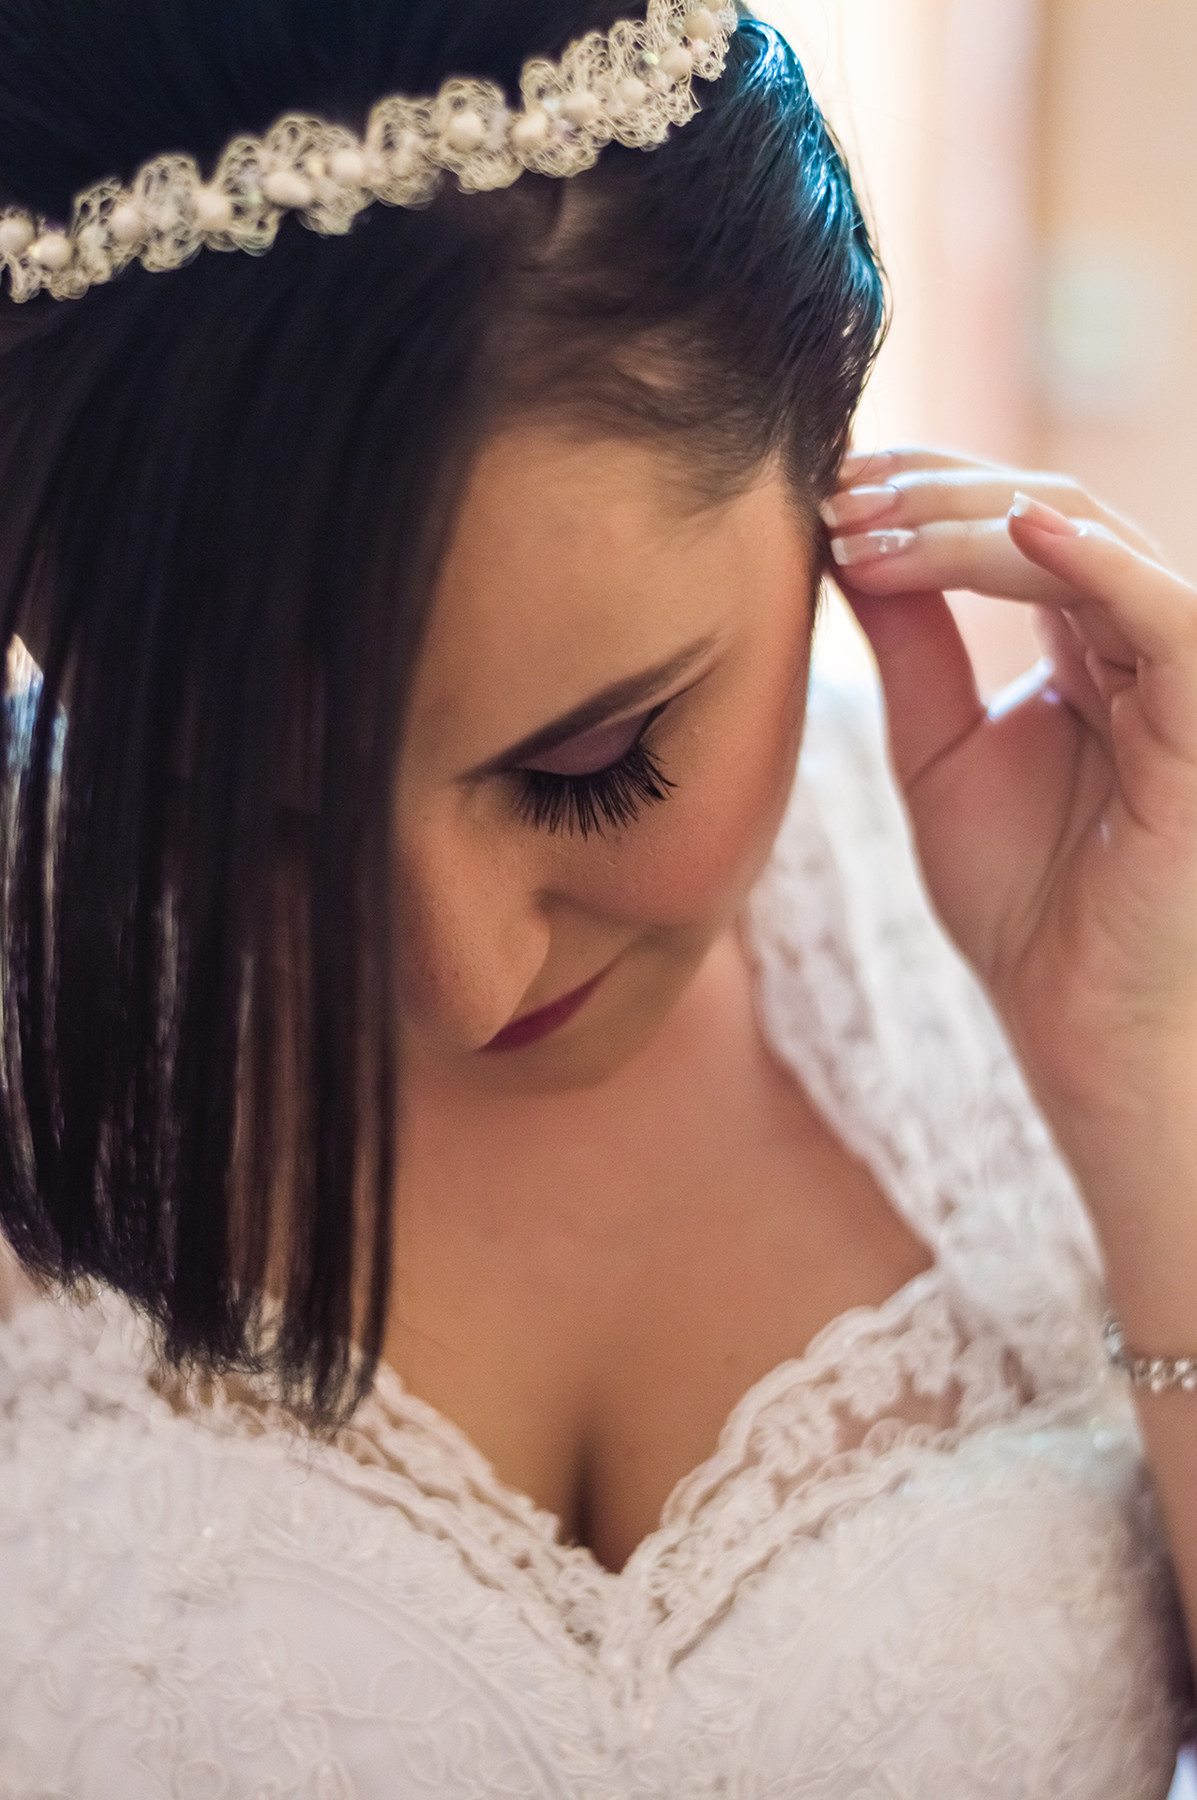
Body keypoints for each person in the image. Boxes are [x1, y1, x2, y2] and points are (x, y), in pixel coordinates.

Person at [0, 1, 1194, 1792]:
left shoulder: (1108, 907)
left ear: (828, 457)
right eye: (230, 800)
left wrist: (1138, 1079)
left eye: (595, 762)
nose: (463, 980)